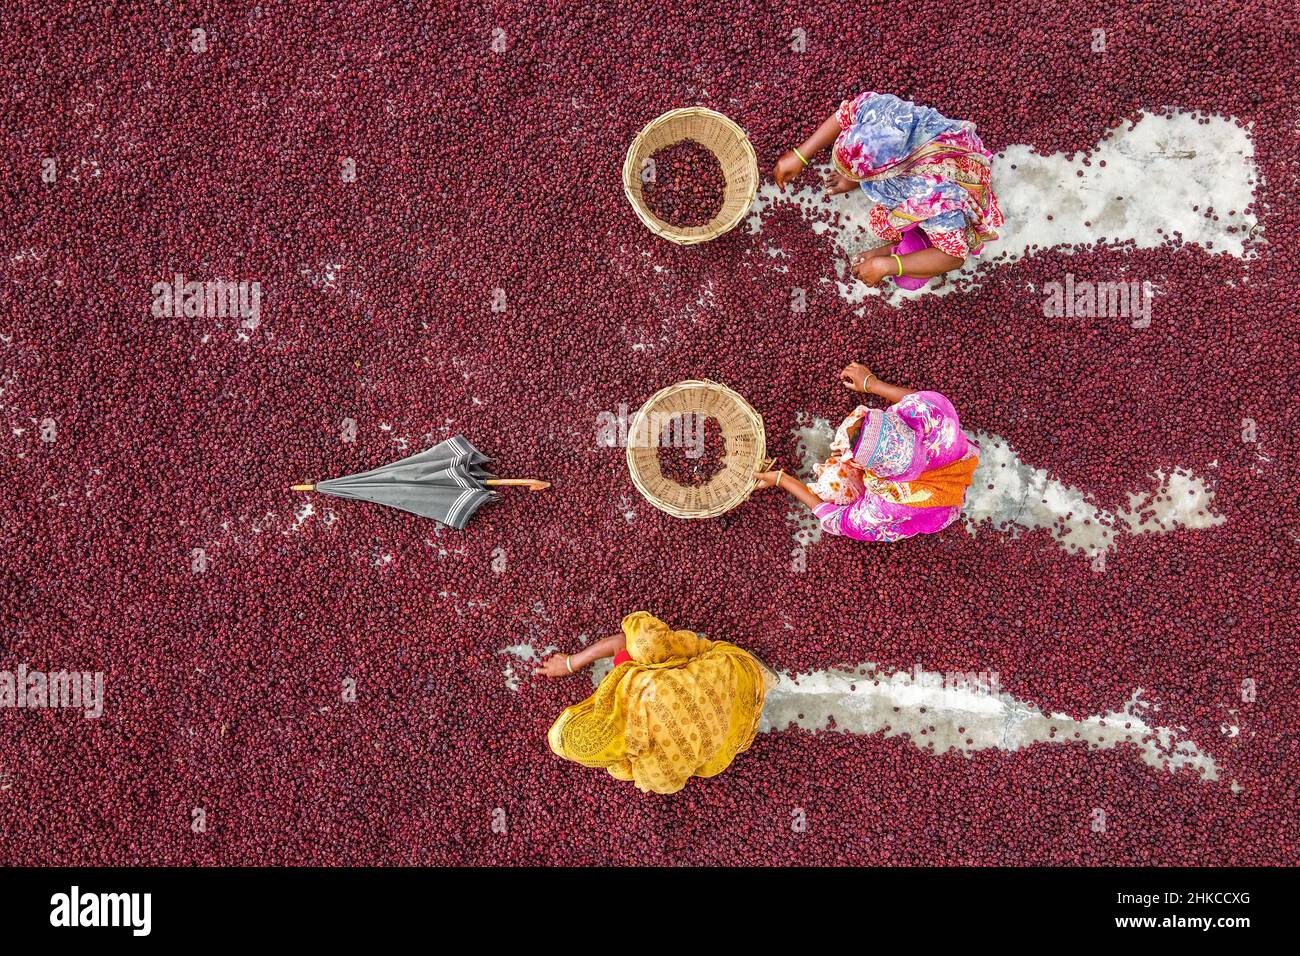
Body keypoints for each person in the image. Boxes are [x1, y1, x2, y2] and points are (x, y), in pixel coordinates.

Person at [773, 92, 1003, 289]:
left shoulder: (930, 195)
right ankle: (898, 243)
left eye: (860, 176)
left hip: (951, 179)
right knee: (881, 217)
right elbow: (843, 116)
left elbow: (953, 258)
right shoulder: (881, 116)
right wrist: (800, 154)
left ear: (890, 171)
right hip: (929, 149)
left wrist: (889, 264)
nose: (845, 174)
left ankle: (900, 247)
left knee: (900, 263)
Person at [535, 611, 774, 795]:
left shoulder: (656, 768)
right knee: (653, 648)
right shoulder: (635, 683)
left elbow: (656, 782)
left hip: (737, 729)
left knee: (698, 762)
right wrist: (570, 663)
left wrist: (620, 766)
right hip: (738, 666)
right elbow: (626, 639)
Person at [754, 362, 979, 542]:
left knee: (834, 483)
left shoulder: (885, 506)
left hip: (932, 503)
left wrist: (782, 480)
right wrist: (871, 383)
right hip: (948, 459)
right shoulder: (934, 419)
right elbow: (916, 400)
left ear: (874, 470)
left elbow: (837, 521)